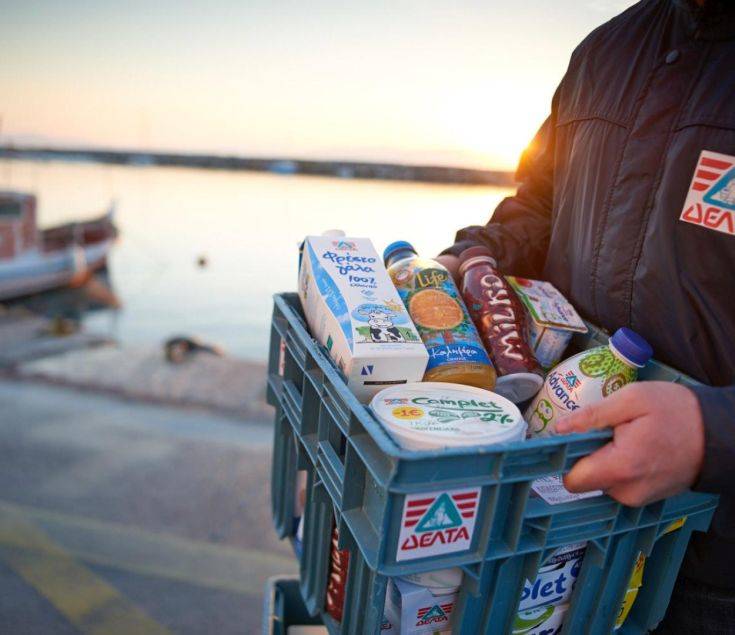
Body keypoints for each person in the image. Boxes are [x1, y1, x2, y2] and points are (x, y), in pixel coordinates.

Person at [436, 1, 734, 632]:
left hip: (717, 562)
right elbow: (540, 201)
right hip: (564, 518)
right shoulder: (606, 49)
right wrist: (480, 253)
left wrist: (717, 432)